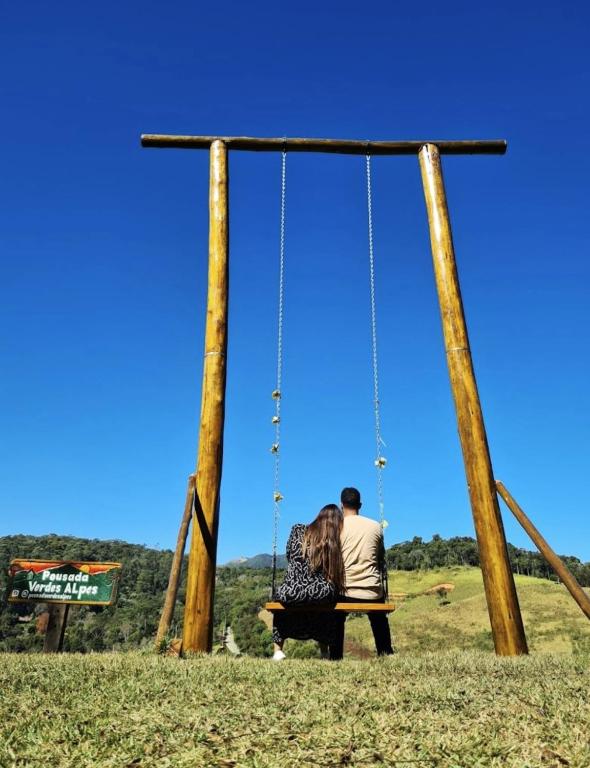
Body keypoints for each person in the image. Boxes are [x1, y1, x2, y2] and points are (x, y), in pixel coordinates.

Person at [272, 504, 345, 661]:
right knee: (327, 605)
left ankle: (278, 650)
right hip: (321, 592)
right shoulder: (331, 543)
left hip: (291, 591)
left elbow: (289, 556)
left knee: (282, 605)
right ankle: (325, 652)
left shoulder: (297, 529)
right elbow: (333, 573)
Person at [329, 487, 394, 659]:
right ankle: (385, 651)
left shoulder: (336, 528)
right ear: (360, 504)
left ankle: (335, 656)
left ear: (341, 505)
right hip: (372, 591)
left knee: (336, 617)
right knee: (379, 618)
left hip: (345, 592)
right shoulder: (376, 526)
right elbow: (380, 558)